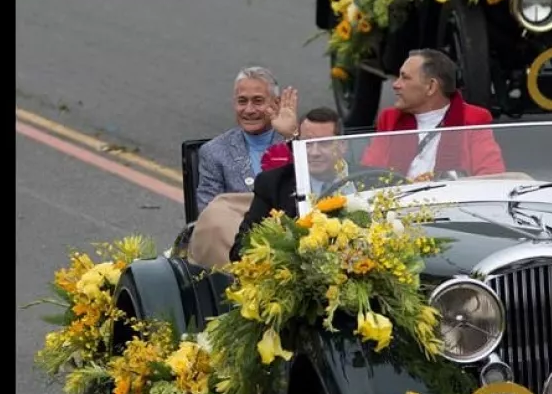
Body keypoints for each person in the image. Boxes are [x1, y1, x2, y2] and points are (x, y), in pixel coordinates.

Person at [361, 49, 506, 179]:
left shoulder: (474, 119)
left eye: (405, 78)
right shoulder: (389, 119)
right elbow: (370, 175)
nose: (395, 84)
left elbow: (491, 176)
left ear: (431, 87)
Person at [230, 107, 345, 259]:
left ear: (343, 146)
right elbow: (240, 249)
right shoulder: (273, 183)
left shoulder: (370, 179)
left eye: (323, 144)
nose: (314, 152)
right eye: (307, 144)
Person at [195, 66, 299, 211]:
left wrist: (291, 136)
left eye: (258, 101)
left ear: (276, 103)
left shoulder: (293, 141)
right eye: (242, 101)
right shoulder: (214, 152)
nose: (249, 110)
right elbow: (208, 212)